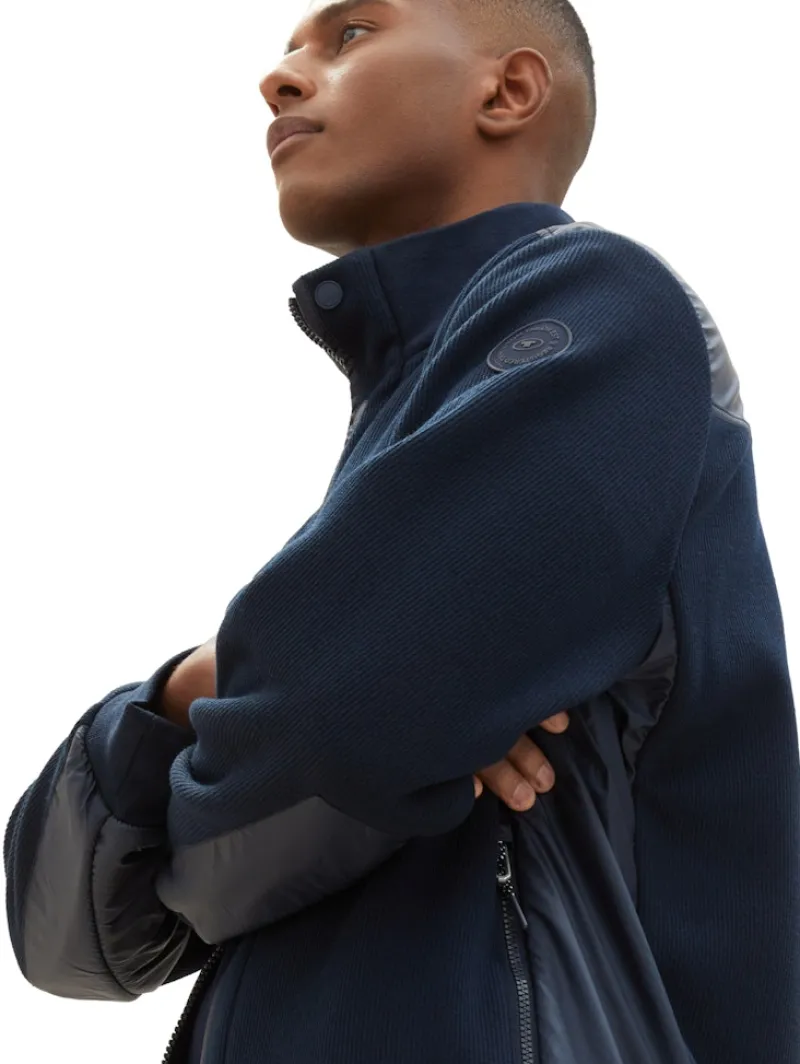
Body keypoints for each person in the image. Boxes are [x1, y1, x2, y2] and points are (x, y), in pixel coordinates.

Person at [5, 0, 799, 1061]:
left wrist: (213, 793)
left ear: (509, 91)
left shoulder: (603, 304)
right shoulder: (399, 444)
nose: (279, 77)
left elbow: (342, 716)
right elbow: (64, 937)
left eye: (350, 35)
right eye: (290, 49)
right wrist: (198, 686)